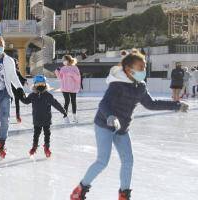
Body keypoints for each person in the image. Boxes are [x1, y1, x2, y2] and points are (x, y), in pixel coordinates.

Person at [70, 50, 189, 200]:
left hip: (122, 128)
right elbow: (103, 104)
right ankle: (80, 189)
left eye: (144, 67)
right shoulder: (117, 85)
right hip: (104, 125)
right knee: (102, 161)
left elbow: (151, 104)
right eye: (140, 67)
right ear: (128, 69)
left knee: (128, 161)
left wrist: (176, 105)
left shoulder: (141, 86)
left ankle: (124, 194)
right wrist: (110, 116)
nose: (143, 71)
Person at [20, 75, 66, 158]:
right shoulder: (32, 95)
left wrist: (63, 111)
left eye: (42, 84)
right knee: (36, 134)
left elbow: (56, 104)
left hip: (46, 119)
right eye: (38, 84)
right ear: (34, 85)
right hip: (37, 119)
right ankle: (34, 146)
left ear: (45, 84)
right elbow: (26, 101)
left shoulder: (48, 95)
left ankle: (47, 147)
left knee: (47, 134)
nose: (40, 86)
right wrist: (20, 95)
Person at [55, 55, 81, 123]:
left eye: (64, 60)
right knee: (67, 101)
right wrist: (57, 72)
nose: (63, 61)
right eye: (63, 60)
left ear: (68, 60)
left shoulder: (75, 68)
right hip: (65, 87)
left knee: (73, 101)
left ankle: (74, 116)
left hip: (73, 87)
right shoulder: (63, 68)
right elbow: (60, 78)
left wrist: (71, 73)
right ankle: (65, 117)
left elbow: (78, 78)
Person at [12, 58, 27, 123]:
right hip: (12, 90)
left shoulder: (16, 71)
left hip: (18, 89)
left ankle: (18, 116)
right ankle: (17, 117)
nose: (16, 64)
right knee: (16, 103)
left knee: (18, 103)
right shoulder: (9, 71)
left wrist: (25, 80)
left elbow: (21, 77)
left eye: (16, 63)